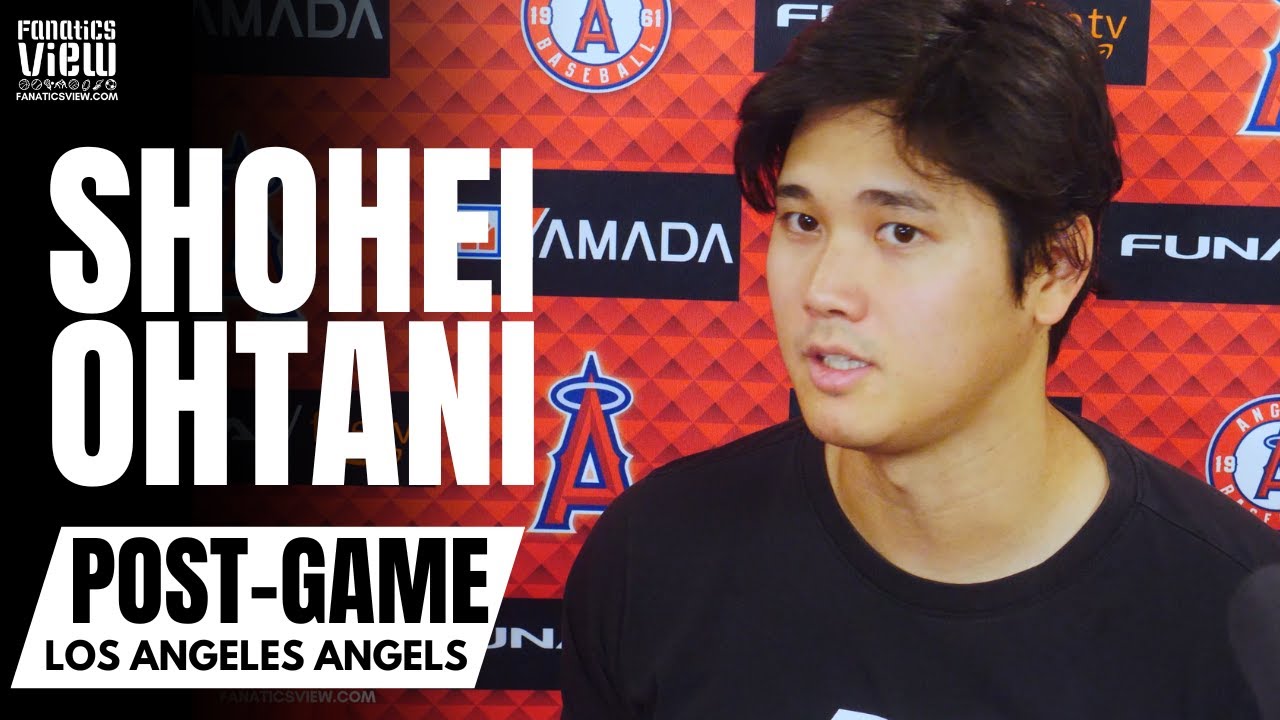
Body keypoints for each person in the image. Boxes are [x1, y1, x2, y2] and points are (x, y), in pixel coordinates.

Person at [558, 0, 1280, 717]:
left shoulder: (1238, 625)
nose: (824, 290)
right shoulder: (655, 556)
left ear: (1056, 265)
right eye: (803, 221)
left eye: (900, 232)